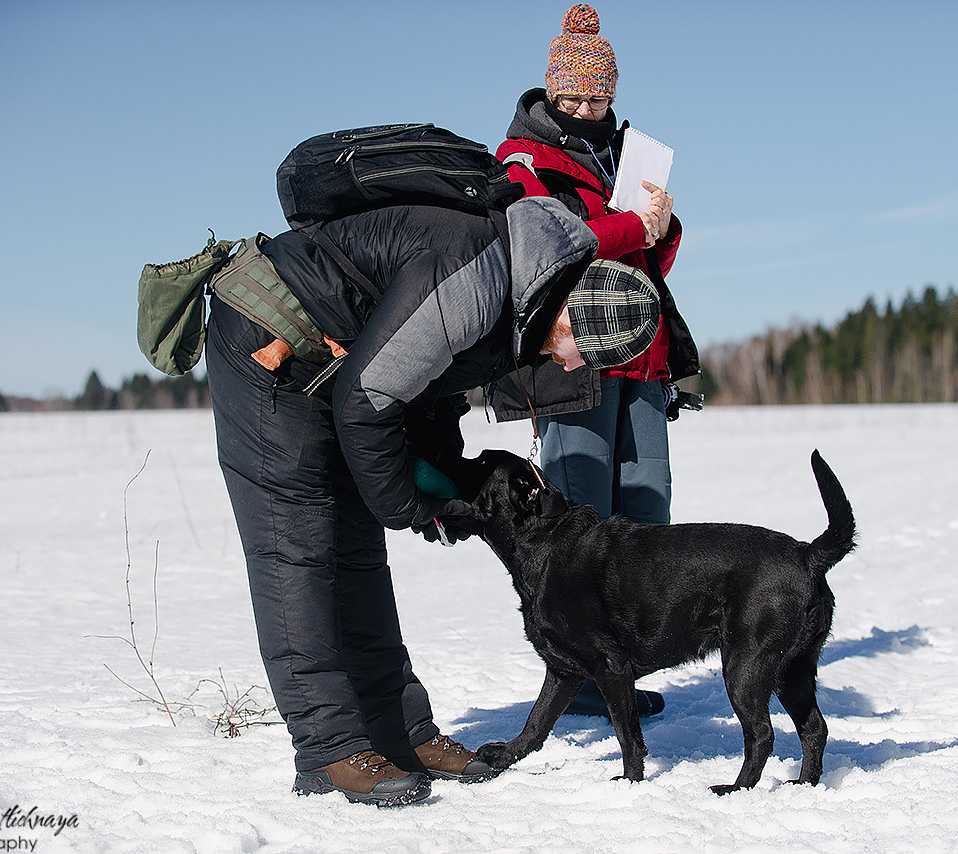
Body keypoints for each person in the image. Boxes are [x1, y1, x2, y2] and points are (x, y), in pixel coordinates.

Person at [206, 195, 663, 807]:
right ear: (576, 316)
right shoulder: (478, 278)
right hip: (269, 343)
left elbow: (429, 388)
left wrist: (443, 473)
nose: (576, 365)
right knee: (300, 554)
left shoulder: (519, 298)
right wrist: (408, 508)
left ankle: (401, 732)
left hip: (334, 365)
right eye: (591, 354)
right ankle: (328, 748)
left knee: (358, 556)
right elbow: (367, 401)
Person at [489, 4, 700, 718]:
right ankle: (577, 677)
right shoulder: (522, 160)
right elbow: (551, 242)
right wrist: (626, 225)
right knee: (578, 518)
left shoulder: (625, 154)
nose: (585, 108)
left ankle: (623, 665)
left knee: (646, 512)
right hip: (569, 355)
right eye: (573, 95)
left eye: (598, 97)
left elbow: (645, 261)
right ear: (550, 89)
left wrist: (660, 229)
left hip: (640, 356)